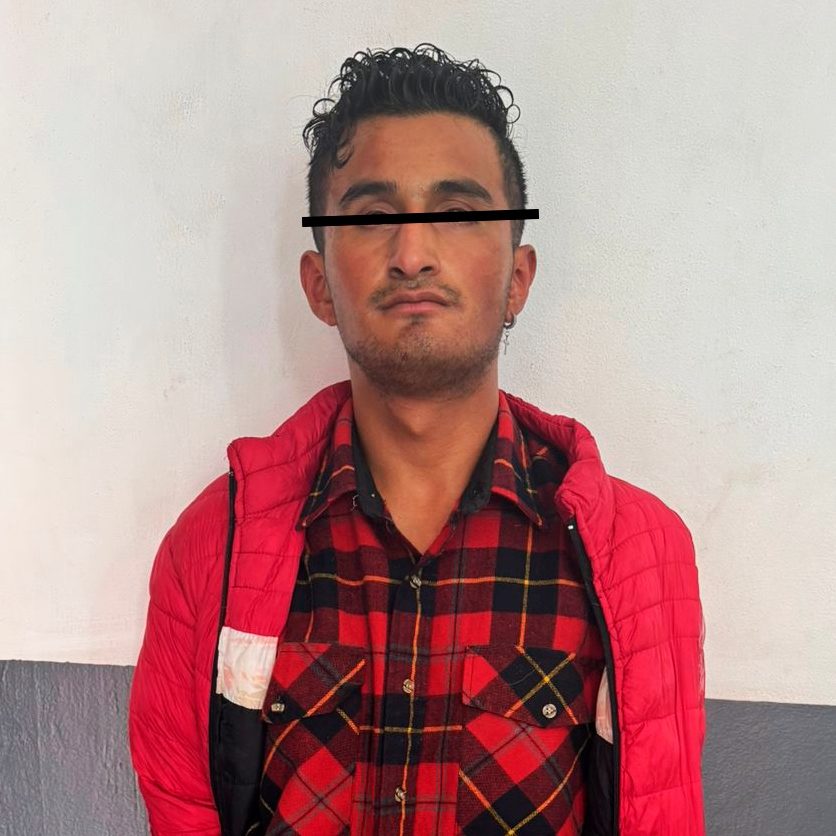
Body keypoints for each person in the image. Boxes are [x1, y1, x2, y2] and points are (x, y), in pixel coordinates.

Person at [128, 43, 706, 835]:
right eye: (371, 218)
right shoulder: (212, 550)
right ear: (319, 285)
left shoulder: (638, 556)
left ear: (518, 277)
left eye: (458, 214)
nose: (412, 254)